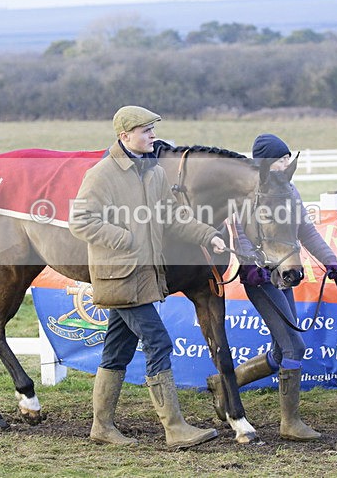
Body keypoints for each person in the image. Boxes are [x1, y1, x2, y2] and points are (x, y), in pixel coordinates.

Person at [69, 105, 227, 449]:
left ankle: (101, 427)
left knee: (116, 350)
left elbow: (173, 217)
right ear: (125, 136)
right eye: (146, 131)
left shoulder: (154, 174)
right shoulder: (102, 174)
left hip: (145, 277)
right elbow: (80, 221)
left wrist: (208, 234)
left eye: (153, 130)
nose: (153, 136)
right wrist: (125, 238)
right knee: (158, 341)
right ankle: (174, 427)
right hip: (120, 276)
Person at [207, 133, 337, 441]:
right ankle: (290, 423)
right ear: (267, 164)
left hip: (284, 274)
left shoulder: (290, 190)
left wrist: (331, 262)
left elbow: (305, 231)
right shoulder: (245, 191)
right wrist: (248, 264)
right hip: (260, 277)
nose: (287, 163)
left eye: (287, 158)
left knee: (281, 350)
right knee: (294, 346)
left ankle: (222, 383)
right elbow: (237, 229)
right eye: (281, 159)